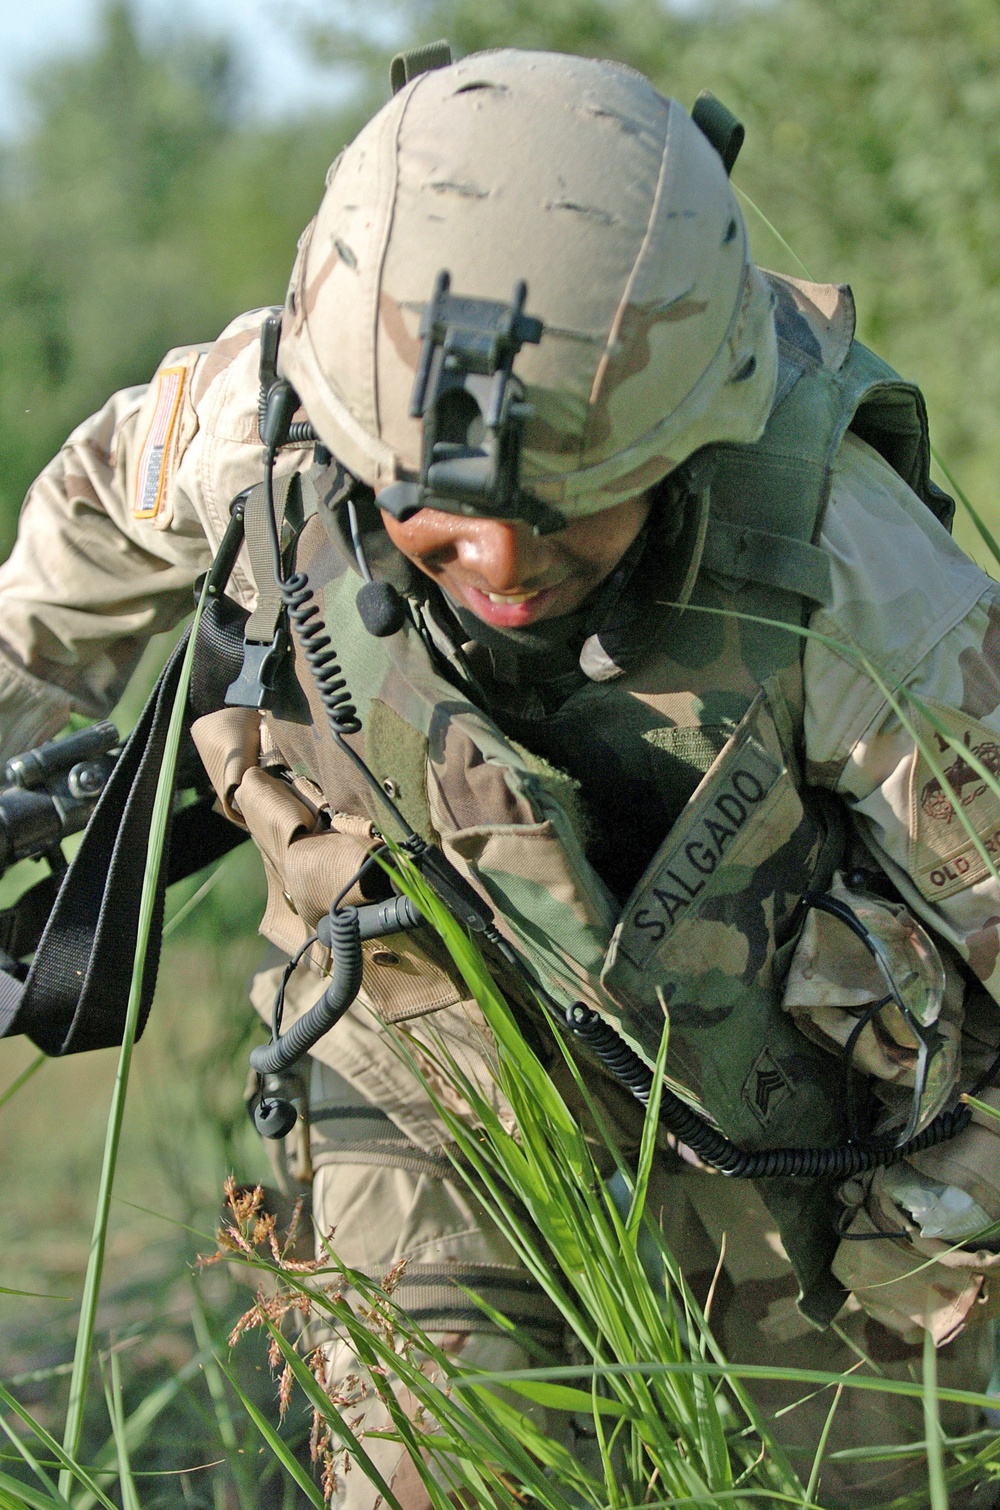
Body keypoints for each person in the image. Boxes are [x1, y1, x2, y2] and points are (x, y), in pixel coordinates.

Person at [2, 43, 1000, 1505]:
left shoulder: (854, 579)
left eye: (576, 508)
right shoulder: (284, 416)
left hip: (798, 1123)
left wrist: (935, 1217)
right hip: (423, 1039)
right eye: (446, 520)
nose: (507, 569)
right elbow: (81, 545)